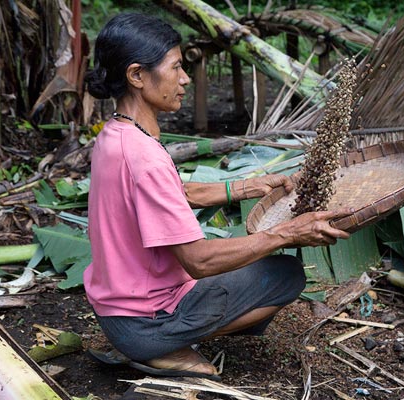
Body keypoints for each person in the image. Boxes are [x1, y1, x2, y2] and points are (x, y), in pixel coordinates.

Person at [83, 12, 352, 380]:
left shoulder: (115, 135)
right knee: (287, 275)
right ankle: (167, 347)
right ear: (137, 75)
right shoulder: (144, 155)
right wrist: (286, 233)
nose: (185, 79)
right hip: (146, 323)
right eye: (176, 68)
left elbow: (170, 194)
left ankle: (156, 340)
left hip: (116, 312)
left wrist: (244, 187)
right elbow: (199, 262)